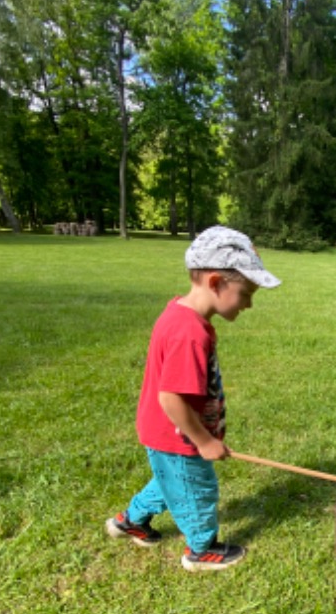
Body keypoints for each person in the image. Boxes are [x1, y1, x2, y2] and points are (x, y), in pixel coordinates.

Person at [106, 226, 281, 571]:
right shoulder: (190, 333)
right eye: (246, 293)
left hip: (165, 433)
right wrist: (204, 441)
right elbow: (171, 398)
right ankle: (201, 550)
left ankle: (130, 521)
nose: (249, 304)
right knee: (198, 490)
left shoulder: (181, 314)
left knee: (172, 482)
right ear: (216, 282)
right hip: (178, 436)